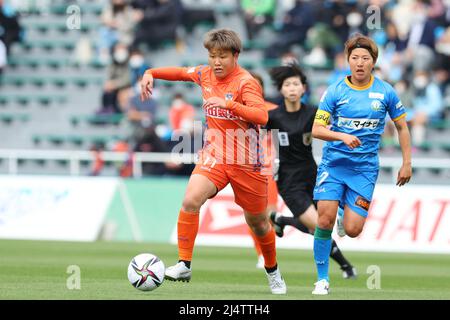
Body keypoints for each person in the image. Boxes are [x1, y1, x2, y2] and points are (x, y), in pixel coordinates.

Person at [140, 28, 287, 294]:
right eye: (212, 55)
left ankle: (273, 270)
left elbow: (262, 117)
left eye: (222, 56)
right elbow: (180, 73)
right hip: (215, 155)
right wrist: (151, 72)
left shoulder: (246, 82)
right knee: (190, 199)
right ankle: (184, 263)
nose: (216, 62)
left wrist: (230, 105)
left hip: (247, 161)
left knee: (258, 223)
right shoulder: (204, 74)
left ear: (236, 56)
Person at [311, 34, 412, 295]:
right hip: (333, 165)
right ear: (348, 61)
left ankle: (346, 214)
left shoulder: (385, 91)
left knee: (354, 231)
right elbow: (317, 129)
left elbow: (402, 126)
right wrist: (342, 135)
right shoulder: (335, 90)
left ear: (373, 62)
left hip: (364, 169)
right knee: (324, 220)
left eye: (365, 58)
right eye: (354, 58)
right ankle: (322, 279)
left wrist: (406, 163)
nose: (359, 63)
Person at [264, 64, 356, 279]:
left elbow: (336, 126)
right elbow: (251, 135)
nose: (292, 88)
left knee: (322, 226)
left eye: (296, 83)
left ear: (303, 88)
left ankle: (282, 220)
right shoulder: (273, 117)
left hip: (313, 174)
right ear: (281, 90)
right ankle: (344, 268)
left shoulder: (314, 113)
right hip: (288, 180)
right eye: (288, 84)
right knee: (318, 226)